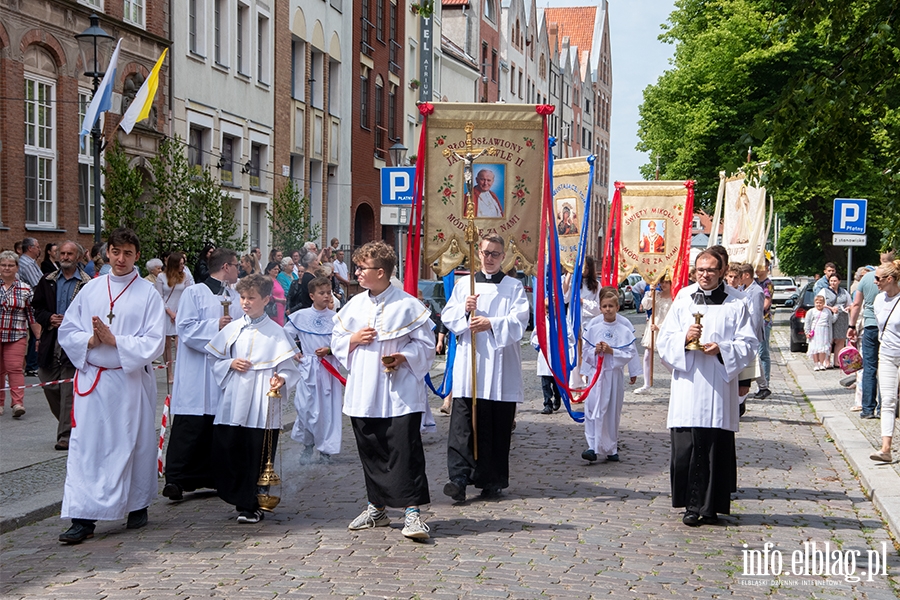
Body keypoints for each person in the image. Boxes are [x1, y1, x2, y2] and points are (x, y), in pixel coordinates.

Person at [56, 228, 167, 544]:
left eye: (127, 253)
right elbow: (68, 330)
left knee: (132, 445)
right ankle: (83, 517)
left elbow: (154, 341)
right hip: (94, 379)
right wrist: (91, 339)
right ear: (107, 253)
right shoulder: (91, 290)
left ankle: (136, 504)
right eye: (115, 252)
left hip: (129, 379)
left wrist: (115, 341)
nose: (120, 259)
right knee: (88, 448)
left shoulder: (148, 294)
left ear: (136, 255)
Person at [330, 241, 435, 540]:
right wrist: (353, 339)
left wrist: (405, 356)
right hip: (364, 388)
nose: (357, 273)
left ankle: (412, 513)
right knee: (371, 447)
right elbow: (337, 338)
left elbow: (427, 346)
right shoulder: (355, 305)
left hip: (400, 391)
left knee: (404, 449)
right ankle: (376, 507)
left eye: (362, 268)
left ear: (380, 272)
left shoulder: (408, 305)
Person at [657, 249, 757, 527]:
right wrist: (684, 337)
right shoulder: (683, 298)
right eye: (700, 269)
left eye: (711, 269)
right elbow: (665, 341)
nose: (704, 274)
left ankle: (711, 506)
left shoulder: (738, 302)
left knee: (714, 447)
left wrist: (722, 349)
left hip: (717, 382)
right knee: (687, 448)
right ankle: (690, 505)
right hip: (689, 384)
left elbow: (749, 344)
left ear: (723, 271)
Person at [441, 234, 530, 502]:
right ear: (477, 253)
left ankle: (492, 480)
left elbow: (520, 321)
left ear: (504, 257)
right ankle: (458, 478)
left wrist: (491, 323)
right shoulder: (463, 284)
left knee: (496, 424)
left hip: (500, 364)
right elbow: (448, 316)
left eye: (495, 254)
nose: (489, 258)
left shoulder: (514, 287)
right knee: (463, 424)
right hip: (471, 363)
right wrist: (465, 312)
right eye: (485, 253)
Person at [206, 274, 300, 524]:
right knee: (229, 447)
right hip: (235, 396)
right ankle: (237, 495)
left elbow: (290, 368)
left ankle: (253, 504)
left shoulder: (277, 333)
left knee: (256, 451)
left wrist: (280, 379)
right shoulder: (233, 328)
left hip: (261, 398)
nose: (245, 303)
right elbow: (214, 359)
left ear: (266, 299)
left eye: (251, 298)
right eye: (243, 298)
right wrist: (230, 362)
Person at [161, 249, 243, 502]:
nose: (239, 269)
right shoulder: (194, 293)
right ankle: (176, 478)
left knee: (218, 426)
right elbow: (184, 328)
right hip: (197, 370)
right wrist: (215, 326)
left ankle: (214, 477)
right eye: (237, 265)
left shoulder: (236, 295)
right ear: (226, 266)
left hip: (223, 370)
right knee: (191, 425)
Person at [31, 242, 91, 449]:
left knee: (68, 387)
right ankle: (72, 424)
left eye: (69, 253)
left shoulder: (87, 284)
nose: (64, 256)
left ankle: (65, 435)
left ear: (79, 257)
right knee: (47, 380)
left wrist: (71, 322)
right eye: (62, 253)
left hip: (74, 340)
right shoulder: (47, 280)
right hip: (51, 338)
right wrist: (49, 318)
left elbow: (92, 314)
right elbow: (36, 308)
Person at [283, 276, 343, 464]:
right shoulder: (300, 316)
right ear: (311, 295)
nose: (326, 296)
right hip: (308, 367)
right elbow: (285, 335)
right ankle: (307, 444)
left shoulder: (336, 319)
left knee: (327, 409)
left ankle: (325, 449)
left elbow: (343, 342)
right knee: (305, 407)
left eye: (329, 292)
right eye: (322, 293)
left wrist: (330, 351)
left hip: (328, 369)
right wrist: (294, 352)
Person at [579, 287, 637, 462]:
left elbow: (630, 352)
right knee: (592, 409)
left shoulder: (624, 327)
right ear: (600, 307)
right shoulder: (594, 326)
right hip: (596, 375)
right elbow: (586, 352)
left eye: (611, 306)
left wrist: (613, 352)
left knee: (611, 411)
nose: (608, 309)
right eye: (605, 306)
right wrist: (595, 352)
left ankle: (610, 447)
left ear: (617, 307)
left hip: (613, 375)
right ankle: (592, 446)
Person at [848, 251, 896, 419]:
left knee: (869, 368)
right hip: (889, 330)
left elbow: (856, 303)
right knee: (886, 368)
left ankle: (867, 408)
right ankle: (884, 408)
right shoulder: (891, 279)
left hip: (870, 326)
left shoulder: (867, 277)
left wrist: (851, 325)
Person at [0, 251, 41, 418]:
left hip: (16, 335)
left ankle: (17, 403)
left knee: (15, 369)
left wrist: (39, 337)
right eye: (3, 265)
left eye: (10, 265)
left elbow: (32, 316)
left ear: (17, 268)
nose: (7, 268)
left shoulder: (25, 289)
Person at [869, 260, 900, 462]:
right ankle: (886, 448)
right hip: (887, 354)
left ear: (890, 279)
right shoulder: (879, 300)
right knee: (887, 400)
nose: (875, 282)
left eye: (878, 278)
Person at [155, 252, 194, 384]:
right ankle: (169, 372)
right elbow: (159, 297)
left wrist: (179, 312)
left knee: (179, 343)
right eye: (181, 264)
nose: (183, 266)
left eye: (183, 264)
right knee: (167, 344)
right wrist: (170, 312)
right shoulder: (161, 277)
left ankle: (181, 371)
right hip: (166, 312)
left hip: (181, 311)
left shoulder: (186, 276)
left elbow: (188, 294)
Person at [634, 279, 673, 394]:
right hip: (653, 325)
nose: (664, 285)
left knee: (664, 359)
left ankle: (677, 379)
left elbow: (673, 316)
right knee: (647, 355)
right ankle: (646, 383)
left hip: (665, 327)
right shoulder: (656, 294)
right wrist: (651, 293)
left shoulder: (674, 298)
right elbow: (646, 306)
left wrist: (660, 327)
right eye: (662, 282)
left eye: (667, 282)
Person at [18, 237, 43, 376]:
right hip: (32, 303)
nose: (39, 249)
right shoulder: (26, 264)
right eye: (37, 246)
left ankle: (33, 363)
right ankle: (32, 365)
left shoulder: (31, 263)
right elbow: (38, 284)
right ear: (30, 248)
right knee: (36, 334)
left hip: (33, 302)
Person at [752, 262, 774, 399]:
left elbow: (767, 302)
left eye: (761, 267)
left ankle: (765, 383)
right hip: (754, 321)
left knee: (763, 352)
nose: (758, 270)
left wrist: (756, 311)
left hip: (764, 321)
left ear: (766, 268)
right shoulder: (753, 282)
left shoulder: (767, 283)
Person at [823, 273, 851, 368]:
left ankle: (837, 361)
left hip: (842, 318)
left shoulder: (844, 291)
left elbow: (849, 303)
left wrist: (848, 308)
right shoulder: (824, 291)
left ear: (839, 281)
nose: (833, 283)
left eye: (835, 281)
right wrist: (831, 308)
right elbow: (819, 303)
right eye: (831, 281)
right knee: (829, 340)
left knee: (840, 340)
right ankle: (826, 361)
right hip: (829, 318)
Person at [805, 292, 836, 371]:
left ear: (823, 303)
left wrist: (836, 314)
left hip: (824, 331)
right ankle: (816, 363)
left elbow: (831, 320)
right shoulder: (811, 312)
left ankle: (821, 363)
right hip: (815, 331)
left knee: (823, 348)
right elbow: (807, 322)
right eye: (817, 303)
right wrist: (807, 332)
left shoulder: (827, 311)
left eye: (820, 303)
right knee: (815, 347)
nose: (819, 304)